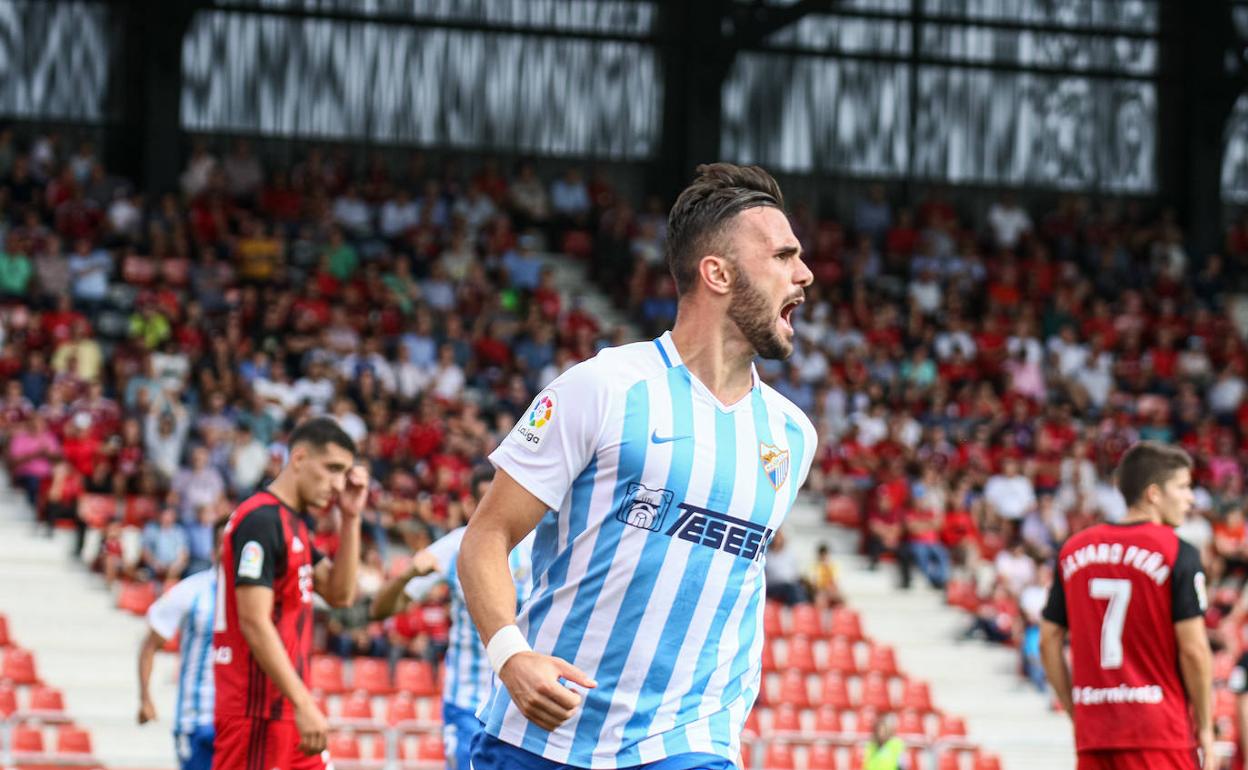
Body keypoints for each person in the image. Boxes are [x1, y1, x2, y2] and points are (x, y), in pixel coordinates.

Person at [459, 163, 817, 768]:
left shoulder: (791, 436)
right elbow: (486, 538)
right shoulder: (602, 389)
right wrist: (511, 655)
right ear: (718, 273)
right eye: (783, 256)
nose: (804, 274)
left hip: (688, 741)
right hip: (545, 737)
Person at [1040, 441, 1212, 770]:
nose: (1190, 498)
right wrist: (1204, 727)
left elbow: (1048, 638)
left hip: (1095, 733)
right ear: (1154, 494)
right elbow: (1194, 651)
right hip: (1159, 733)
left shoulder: (1073, 550)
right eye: (1183, 487)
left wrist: (1075, 711)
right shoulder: (1177, 552)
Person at [211, 417, 368, 770]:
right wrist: (303, 702)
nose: (338, 484)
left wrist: (352, 518)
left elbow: (341, 594)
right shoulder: (261, 520)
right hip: (256, 713)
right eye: (332, 469)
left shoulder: (293, 523)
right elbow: (254, 621)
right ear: (298, 459)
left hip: (287, 710)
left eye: (344, 473)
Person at [369, 477, 536, 770]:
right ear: (470, 505)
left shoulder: (540, 544)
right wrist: (408, 574)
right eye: (488, 498)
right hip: (466, 704)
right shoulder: (457, 544)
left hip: (523, 706)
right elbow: (381, 610)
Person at [137, 519, 226, 770]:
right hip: (197, 720)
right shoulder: (191, 591)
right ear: (213, 550)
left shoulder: (256, 599)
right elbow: (149, 644)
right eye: (224, 544)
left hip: (238, 721)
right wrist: (145, 697)